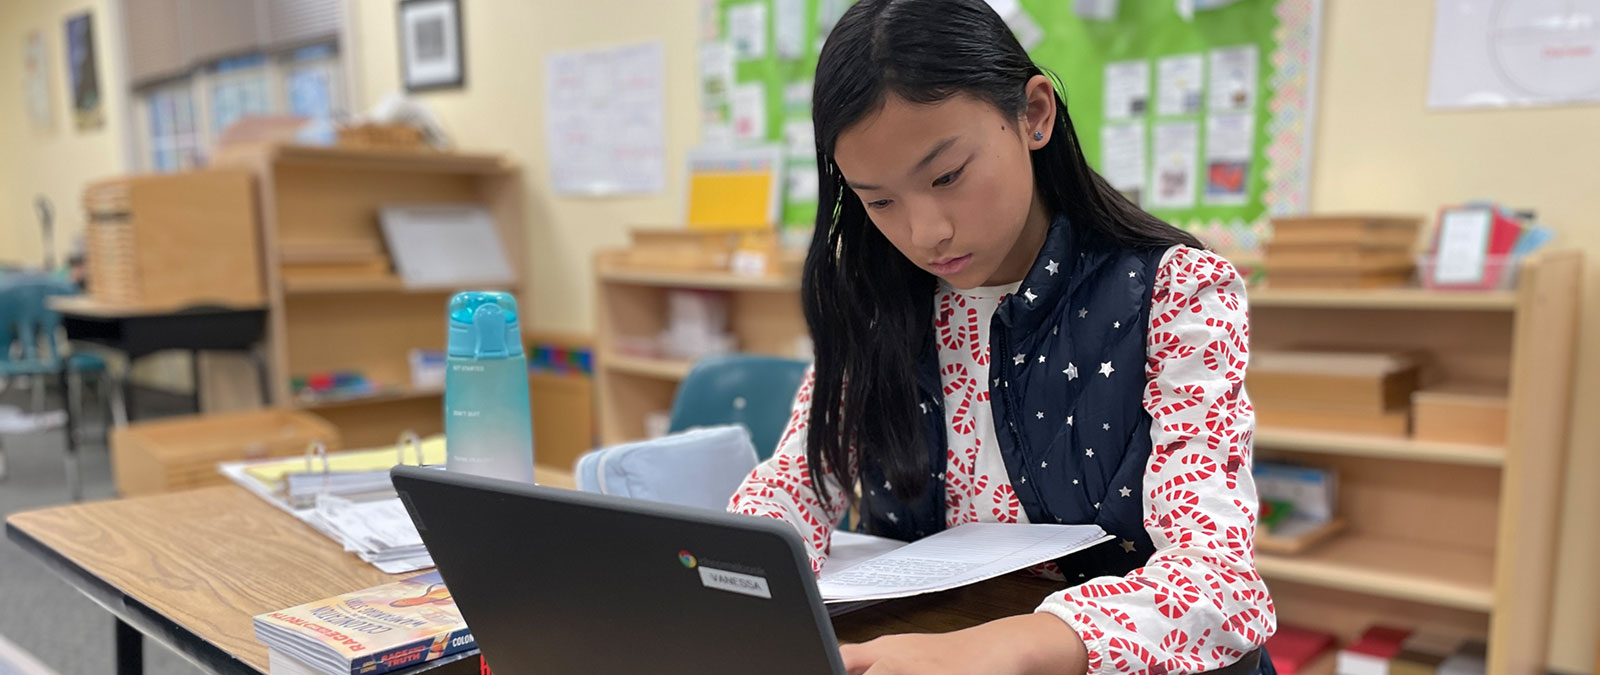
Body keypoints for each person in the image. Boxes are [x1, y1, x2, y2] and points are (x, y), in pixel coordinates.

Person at [726, 1, 1275, 673]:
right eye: (879, 200)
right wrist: (736, 581)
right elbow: (790, 490)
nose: (926, 232)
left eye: (948, 175)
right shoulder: (878, 306)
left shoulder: (1176, 293)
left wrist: (1009, 644)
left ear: (1035, 113)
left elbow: (1219, 584)